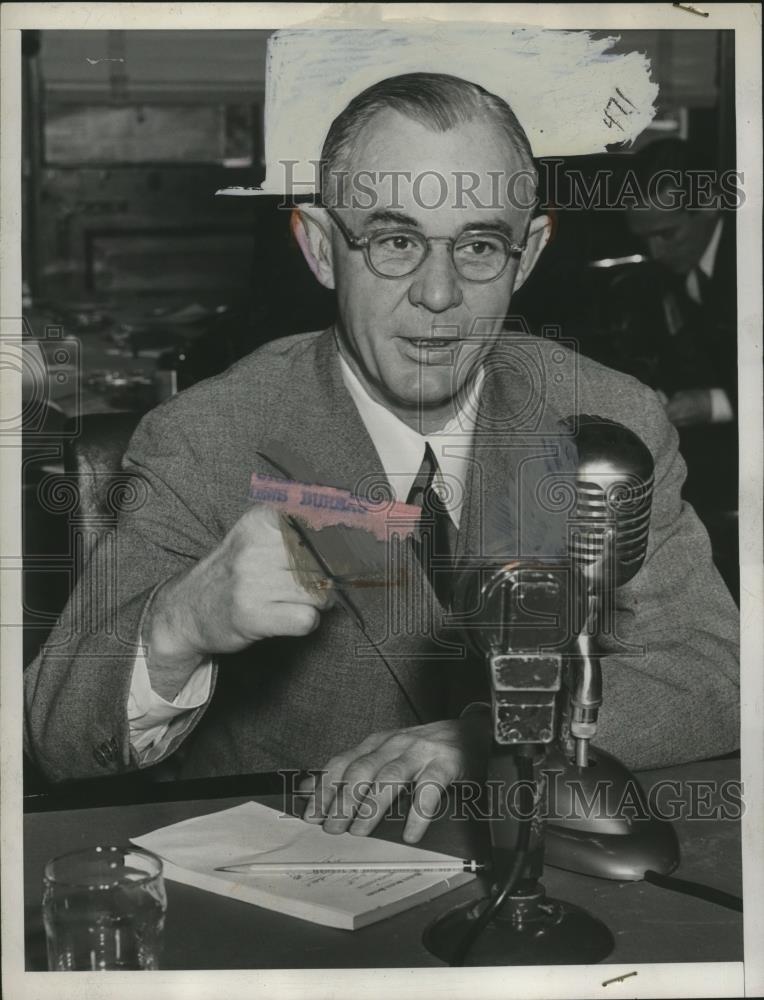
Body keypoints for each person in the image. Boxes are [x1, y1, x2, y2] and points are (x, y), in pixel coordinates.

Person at [24, 74, 739, 845]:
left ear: (526, 255)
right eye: (396, 241)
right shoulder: (210, 434)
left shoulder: (605, 419)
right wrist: (180, 622)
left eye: (479, 244)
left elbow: (716, 674)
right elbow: (56, 739)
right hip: (305, 910)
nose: (439, 293)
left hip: (547, 893)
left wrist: (485, 739)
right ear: (322, 249)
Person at [622, 138, 737, 428]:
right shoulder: (673, 272)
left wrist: (714, 404)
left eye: (667, 234)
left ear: (710, 203)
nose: (655, 253)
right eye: (644, 239)